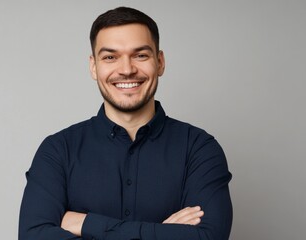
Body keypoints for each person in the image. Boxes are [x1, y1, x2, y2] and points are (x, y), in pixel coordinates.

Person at [19, 6, 232, 240]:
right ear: (94, 66)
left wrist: (88, 224)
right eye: (110, 57)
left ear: (160, 62)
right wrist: (165, 233)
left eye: (140, 55)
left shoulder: (199, 148)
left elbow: (208, 237)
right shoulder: (58, 150)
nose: (127, 70)